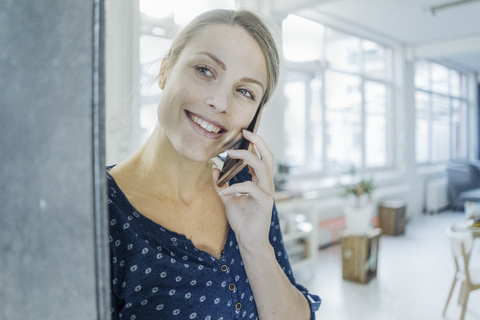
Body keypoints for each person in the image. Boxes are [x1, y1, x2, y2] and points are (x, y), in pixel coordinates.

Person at [107, 9, 321, 320]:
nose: (220, 103)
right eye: (205, 71)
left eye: (245, 92)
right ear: (165, 69)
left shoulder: (245, 188)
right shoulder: (97, 214)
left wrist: (256, 248)